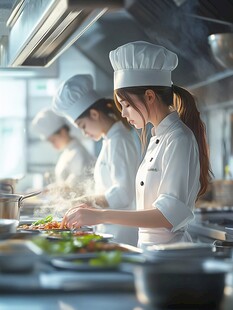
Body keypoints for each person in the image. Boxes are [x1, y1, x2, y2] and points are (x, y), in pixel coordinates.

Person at [60, 41, 212, 248]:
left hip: (170, 255)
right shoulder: (157, 138)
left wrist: (101, 215)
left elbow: (167, 216)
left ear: (149, 96)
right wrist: (95, 212)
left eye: (126, 105)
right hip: (149, 251)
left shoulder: (179, 139)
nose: (122, 113)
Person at [52, 74, 139, 246]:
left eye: (82, 126)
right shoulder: (110, 140)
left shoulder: (119, 140)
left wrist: (86, 200)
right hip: (110, 229)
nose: (84, 133)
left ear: (94, 114)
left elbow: (124, 193)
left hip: (121, 233)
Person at [31, 108, 95, 193]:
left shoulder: (78, 153)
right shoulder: (67, 152)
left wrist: (45, 190)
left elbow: (75, 186)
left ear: (63, 131)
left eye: (53, 140)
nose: (52, 145)